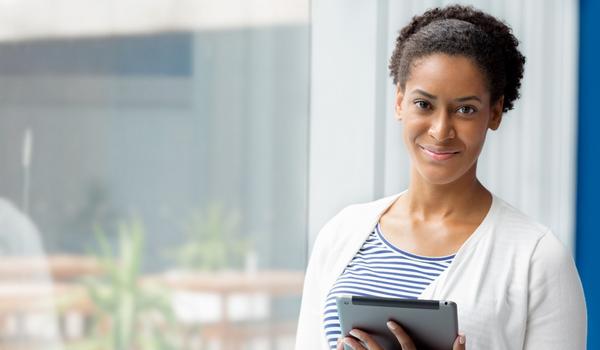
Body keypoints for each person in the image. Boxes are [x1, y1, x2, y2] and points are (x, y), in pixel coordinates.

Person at [295, 4, 587, 350]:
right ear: (400, 101)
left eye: (465, 109)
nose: (441, 130)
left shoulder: (536, 259)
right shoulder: (341, 233)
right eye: (424, 104)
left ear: (494, 113)